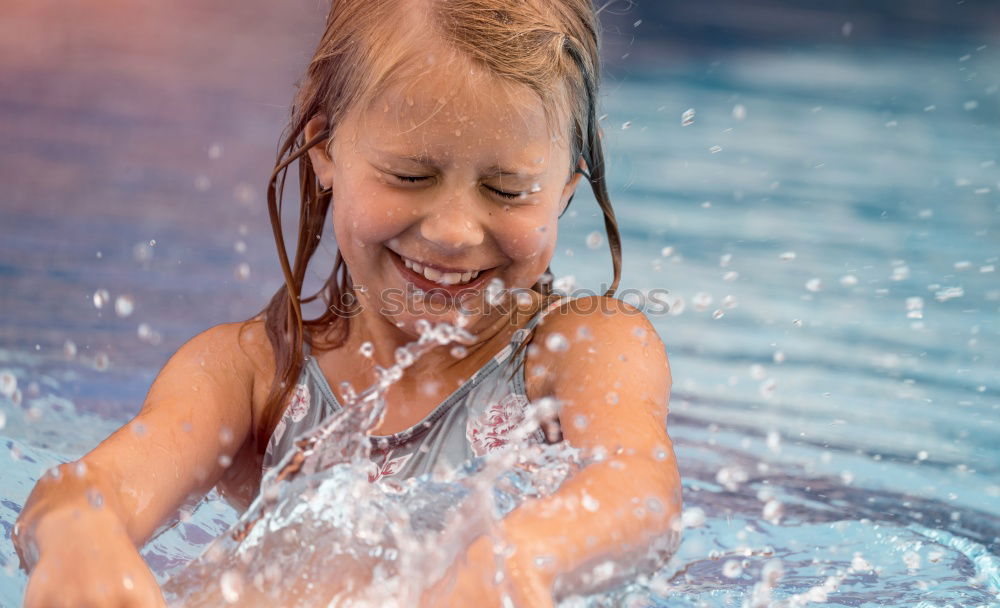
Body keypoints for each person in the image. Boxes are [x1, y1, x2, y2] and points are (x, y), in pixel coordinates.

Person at [14, 0, 682, 605]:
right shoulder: (252, 376)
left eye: (507, 190)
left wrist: (524, 554)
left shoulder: (581, 353)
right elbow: (88, 487)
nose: (453, 231)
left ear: (566, 183)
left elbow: (639, 496)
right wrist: (79, 531)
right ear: (324, 141)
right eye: (410, 176)